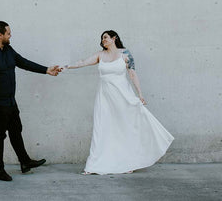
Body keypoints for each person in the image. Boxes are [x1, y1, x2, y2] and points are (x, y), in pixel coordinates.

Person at [64, 30, 174, 175]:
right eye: (102, 39)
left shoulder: (125, 54)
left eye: (105, 38)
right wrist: (67, 67)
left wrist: (140, 94)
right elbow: (83, 62)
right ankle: (93, 165)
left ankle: (129, 162)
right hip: (104, 98)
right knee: (102, 128)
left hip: (123, 97)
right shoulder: (100, 55)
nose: (103, 40)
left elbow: (132, 73)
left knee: (125, 128)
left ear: (113, 38)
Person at [0, 21, 62, 181]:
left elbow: (23, 62)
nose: (10, 35)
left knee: (16, 130)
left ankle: (24, 162)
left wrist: (46, 70)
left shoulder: (7, 49)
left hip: (10, 102)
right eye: (8, 33)